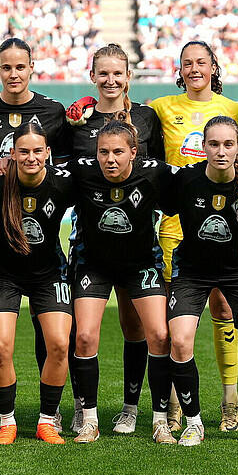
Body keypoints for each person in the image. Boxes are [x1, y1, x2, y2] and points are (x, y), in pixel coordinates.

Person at [0, 37, 73, 434]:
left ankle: (50, 414)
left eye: (20, 67)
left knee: (55, 339)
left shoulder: (53, 112)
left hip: (43, 243)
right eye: (6, 67)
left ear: (31, 67)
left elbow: (71, 160)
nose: (13, 74)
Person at [149, 40, 238, 433]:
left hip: (227, 227)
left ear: (214, 67)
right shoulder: (162, 107)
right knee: (178, 320)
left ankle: (230, 400)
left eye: (201, 62)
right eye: (186, 63)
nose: (194, 68)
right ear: (179, 69)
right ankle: (178, 403)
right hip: (176, 230)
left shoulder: (235, 112)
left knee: (224, 311)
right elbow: (122, 118)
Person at [161, 116, 238, 446]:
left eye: (228, 144)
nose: (221, 151)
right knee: (181, 341)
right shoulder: (186, 180)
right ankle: (193, 422)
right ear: (203, 147)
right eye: (213, 144)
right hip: (192, 272)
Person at [64, 43, 164, 435]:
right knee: (83, 331)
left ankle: (130, 408)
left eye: (117, 73)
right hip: (90, 241)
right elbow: (56, 166)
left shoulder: (147, 117)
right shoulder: (75, 117)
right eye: (103, 73)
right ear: (93, 76)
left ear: (128, 76)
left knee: (135, 327)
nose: (110, 80)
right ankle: (82, 409)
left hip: (137, 241)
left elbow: (157, 174)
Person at [0, 123, 75, 444]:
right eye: (24, 151)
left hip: (49, 274)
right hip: (3, 275)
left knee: (60, 345)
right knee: (1, 346)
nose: (31, 157)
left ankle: (47, 420)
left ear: (48, 153)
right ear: (12, 154)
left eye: (37, 151)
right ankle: (7, 422)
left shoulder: (63, 182)